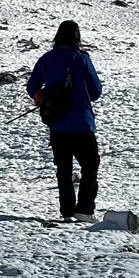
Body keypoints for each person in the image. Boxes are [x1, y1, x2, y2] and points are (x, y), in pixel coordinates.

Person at [26, 19, 103, 222]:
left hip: (57, 122)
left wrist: (41, 94)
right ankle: (85, 209)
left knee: (64, 168)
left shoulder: (47, 58)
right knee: (91, 164)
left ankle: (67, 211)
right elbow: (95, 92)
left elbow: (31, 86)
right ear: (77, 37)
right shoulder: (82, 58)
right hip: (81, 121)